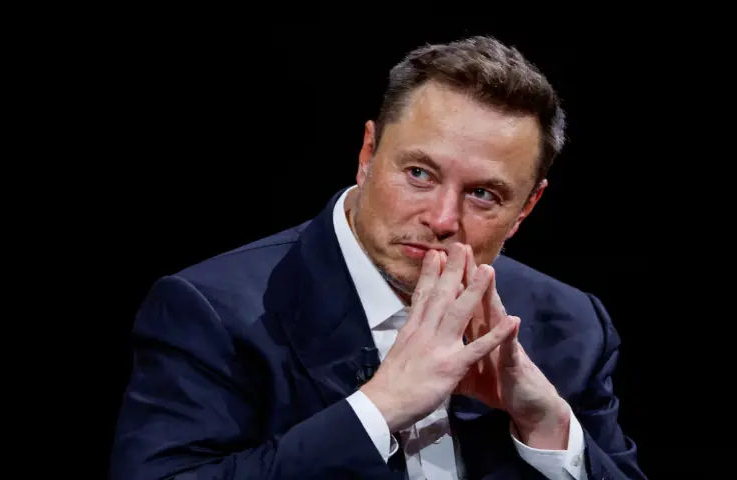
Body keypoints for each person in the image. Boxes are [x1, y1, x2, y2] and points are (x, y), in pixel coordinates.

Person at [109, 36, 646, 479]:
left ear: (527, 206)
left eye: (484, 194)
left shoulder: (572, 324)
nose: (442, 218)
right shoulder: (212, 312)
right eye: (419, 174)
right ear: (368, 154)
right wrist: (377, 409)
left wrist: (549, 427)